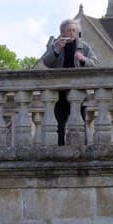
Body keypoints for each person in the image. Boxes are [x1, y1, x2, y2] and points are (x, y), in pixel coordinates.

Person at [40, 18, 97, 146]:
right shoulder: (55, 45)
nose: (72, 33)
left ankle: (82, 148)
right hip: (59, 92)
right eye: (69, 30)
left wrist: (83, 59)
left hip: (79, 92)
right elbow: (46, 62)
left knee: (80, 123)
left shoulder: (84, 46)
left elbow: (95, 64)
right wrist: (56, 50)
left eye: (74, 30)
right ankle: (59, 149)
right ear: (62, 33)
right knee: (59, 124)